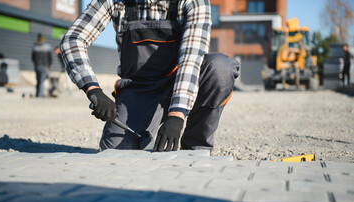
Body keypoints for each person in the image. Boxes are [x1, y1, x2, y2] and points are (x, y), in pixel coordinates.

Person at [60, 0, 239, 152]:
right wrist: (93, 90)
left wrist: (177, 115)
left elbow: (190, 59)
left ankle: (194, 145)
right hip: (139, 91)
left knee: (220, 68)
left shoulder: (192, 2)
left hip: (181, 80)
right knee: (116, 152)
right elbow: (73, 39)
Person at [32, 33, 52, 97]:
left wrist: (35, 64)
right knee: (41, 80)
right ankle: (40, 95)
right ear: (43, 39)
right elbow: (50, 57)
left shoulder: (35, 47)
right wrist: (50, 64)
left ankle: (38, 93)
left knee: (38, 80)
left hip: (37, 66)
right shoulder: (47, 46)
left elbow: (33, 58)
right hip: (45, 66)